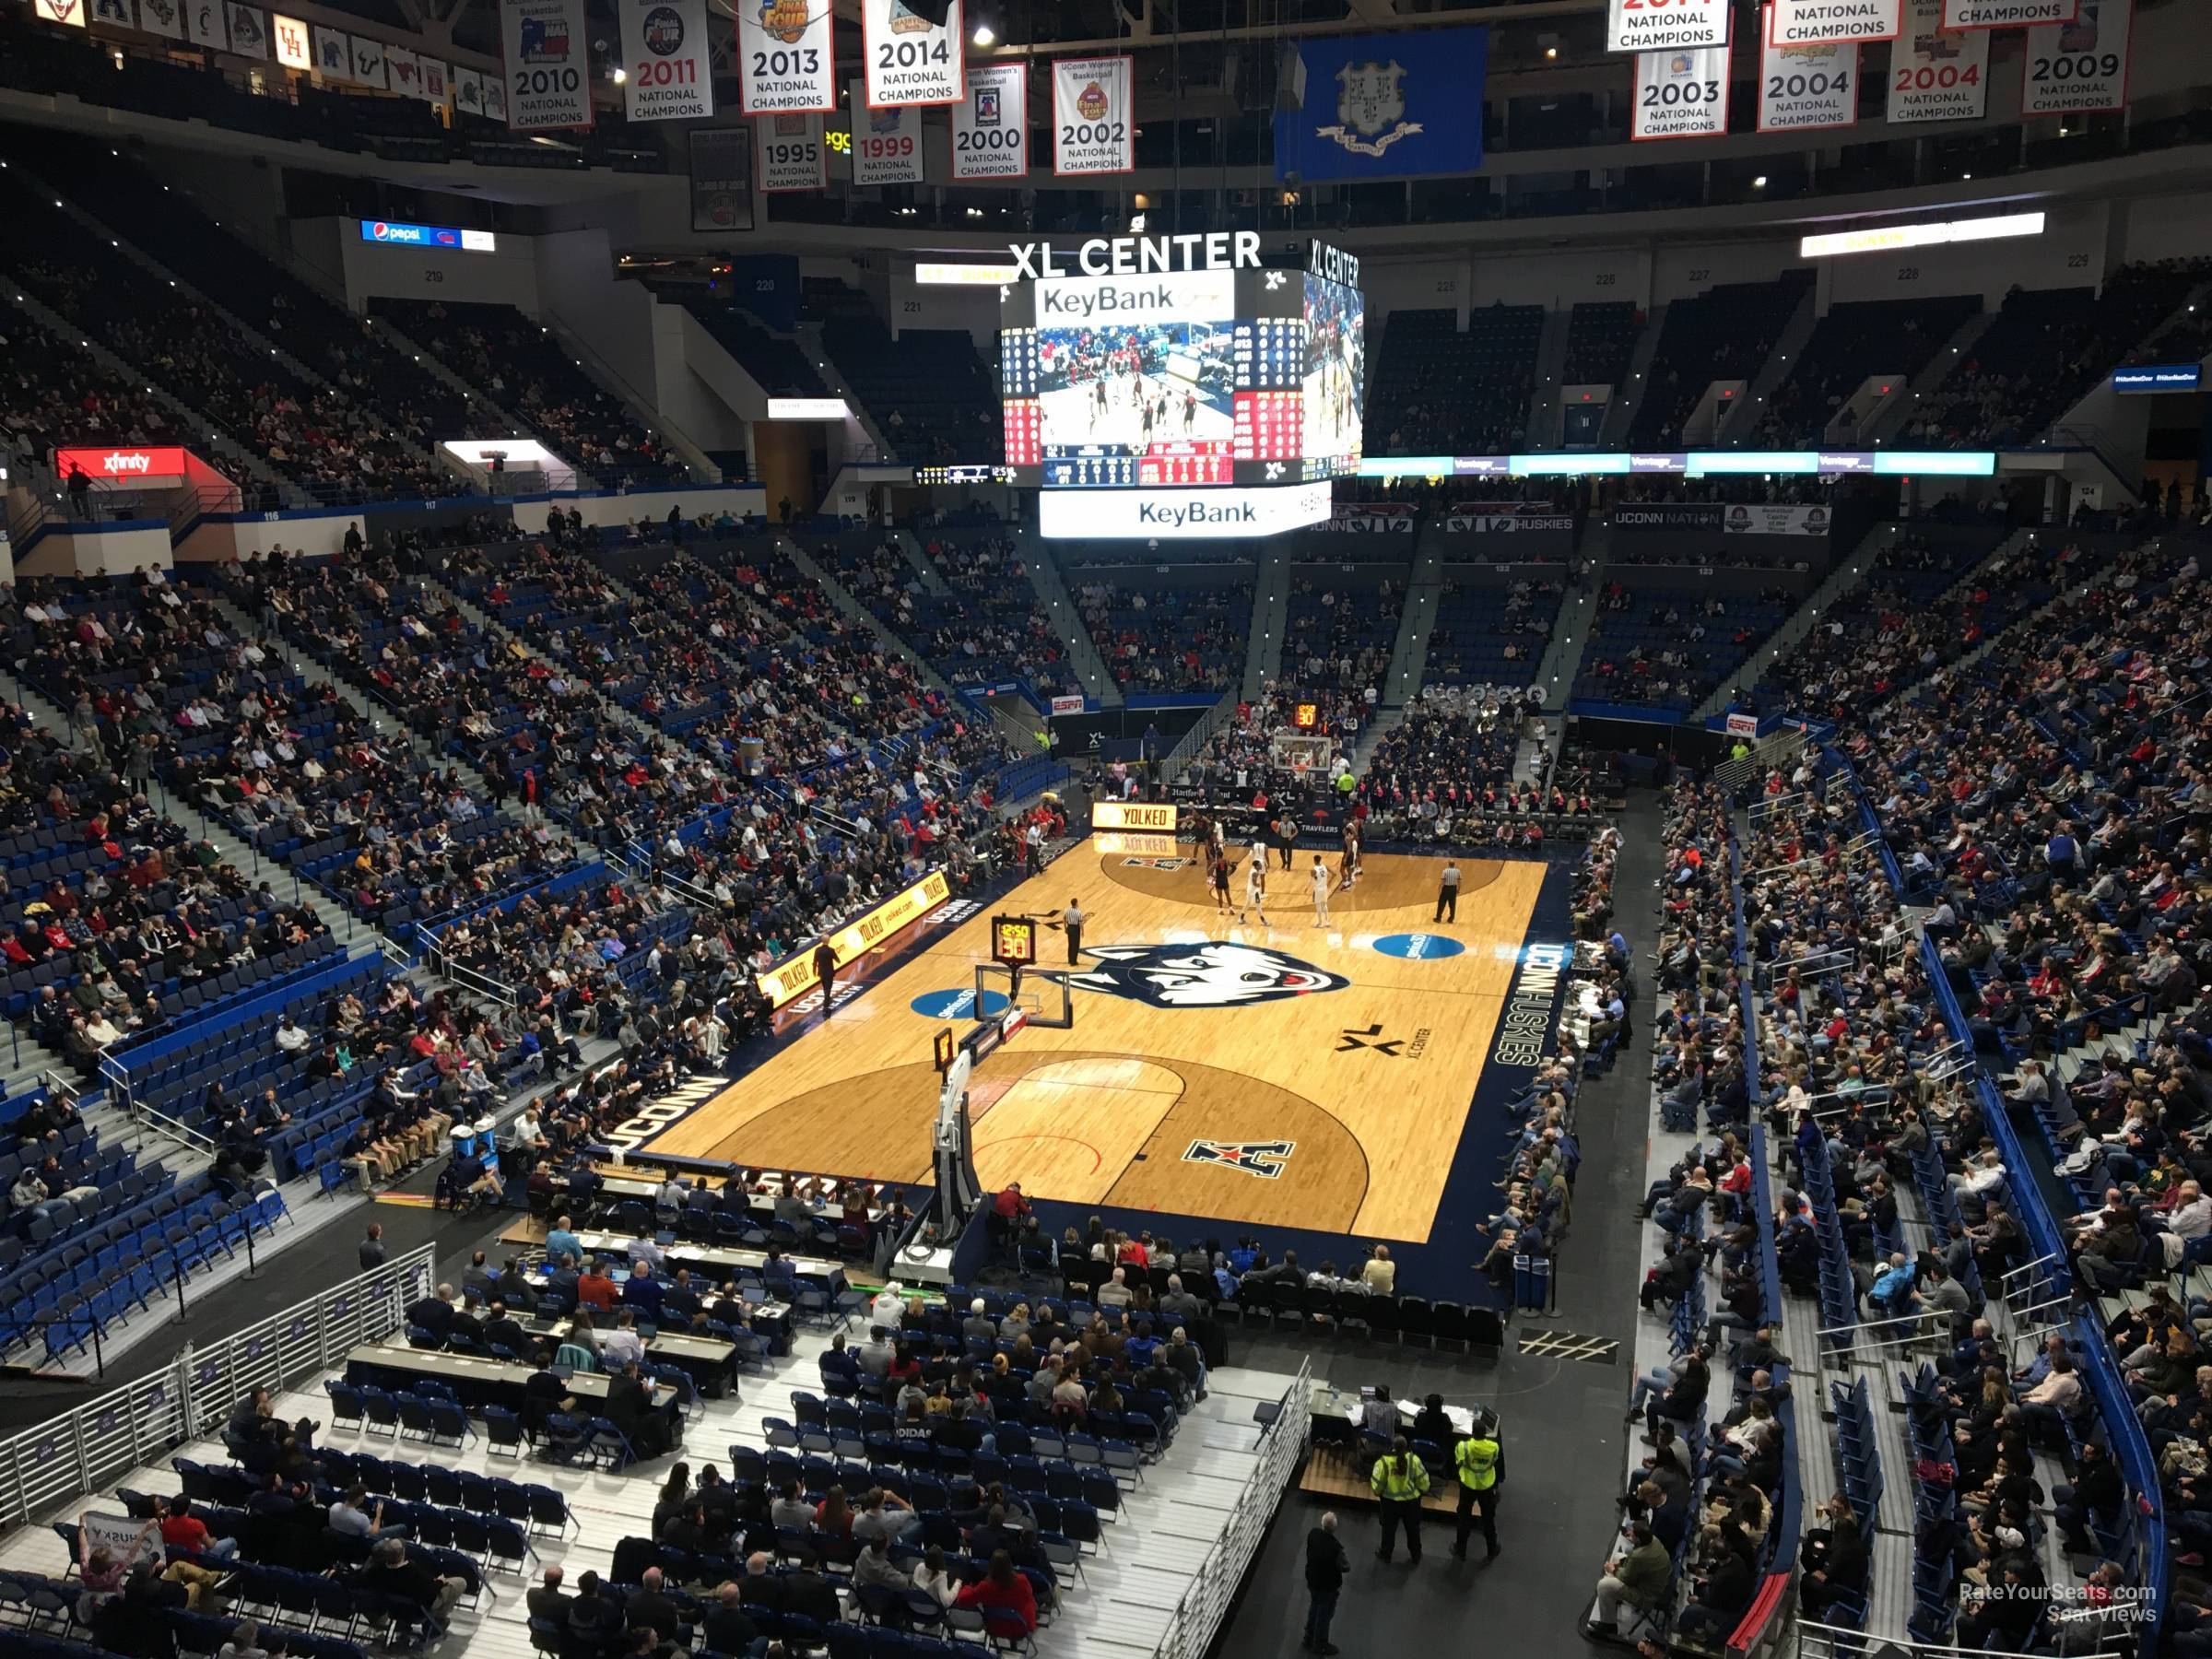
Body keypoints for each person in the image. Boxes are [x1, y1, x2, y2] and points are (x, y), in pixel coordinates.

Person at [1586, 1521, 1670, 1640]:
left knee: (1604, 1585)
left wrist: (1613, 1569)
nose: (1629, 1534)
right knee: (1618, 1559)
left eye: (1632, 1535)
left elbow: (1627, 1579)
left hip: (1646, 1595)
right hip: (1658, 1582)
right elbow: (1634, 1562)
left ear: (1639, 1540)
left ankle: (1608, 1625)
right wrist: (1619, 1565)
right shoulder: (1653, 1540)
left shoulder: (1639, 1556)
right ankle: (1613, 1599)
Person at [1370, 1436, 1430, 1563]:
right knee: (1413, 1530)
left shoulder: (1383, 1462)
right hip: (1411, 1502)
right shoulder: (1414, 1460)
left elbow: (1377, 1485)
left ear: (1392, 1447)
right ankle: (1416, 1555)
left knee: (1388, 1530)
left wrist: (1379, 1492)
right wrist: (1422, 1491)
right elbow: (1423, 1481)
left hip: (1389, 1503)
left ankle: (1386, 1554)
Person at [1452, 1413, 1501, 1561]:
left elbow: (1458, 1462)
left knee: (1463, 1517)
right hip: (1486, 1486)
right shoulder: (1494, 1446)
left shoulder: (1464, 1446)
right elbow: (1495, 1461)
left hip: (1468, 1485)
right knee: (1488, 1518)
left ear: (1472, 1433)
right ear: (1485, 1433)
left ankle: (1461, 1550)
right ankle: (1492, 1548)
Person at [953, 1549, 1038, 1633]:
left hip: (995, 1627)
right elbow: (1029, 1597)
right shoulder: (1022, 1581)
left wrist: (969, 1587)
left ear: (991, 1567)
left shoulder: (986, 1587)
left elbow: (962, 1599)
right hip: (1021, 1627)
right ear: (1009, 1565)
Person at [1303, 1510, 1347, 1655]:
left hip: (1312, 1580)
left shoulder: (1313, 1534)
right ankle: (1320, 1644)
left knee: (1314, 1607)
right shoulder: (1336, 1548)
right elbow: (1345, 1567)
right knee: (1324, 1615)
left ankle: (1308, 1638)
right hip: (1327, 1587)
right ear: (1334, 1528)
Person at [813, 938, 839, 1018]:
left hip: (821, 972)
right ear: (828, 941)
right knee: (828, 988)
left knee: (825, 987)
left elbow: (815, 961)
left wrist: (814, 970)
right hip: (829, 972)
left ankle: (828, 999)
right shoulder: (831, 950)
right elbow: (837, 960)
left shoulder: (817, 950)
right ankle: (826, 1005)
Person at [1435, 858, 1462, 924]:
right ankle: (1451, 919)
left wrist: (1439, 888)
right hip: (1453, 889)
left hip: (1446, 888)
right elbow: (1459, 881)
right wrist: (1458, 889)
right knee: (1452, 905)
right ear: (1454, 864)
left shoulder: (1445, 871)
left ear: (1448, 864)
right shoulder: (1458, 871)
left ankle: (1438, 918)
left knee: (1441, 903)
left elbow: (1442, 881)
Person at [1310, 855, 1333, 926]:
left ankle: (1320, 923)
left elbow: (1311, 880)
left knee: (1318, 905)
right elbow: (1334, 874)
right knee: (1324, 904)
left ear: (1315, 860)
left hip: (1318, 888)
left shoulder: (1313, 870)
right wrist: (1329, 882)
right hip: (1324, 887)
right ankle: (1327, 922)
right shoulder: (1324, 866)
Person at [1064, 899, 1085, 964]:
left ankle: (1070, 960)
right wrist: (1082, 931)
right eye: (1077, 903)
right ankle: (1073, 961)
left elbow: (1064, 919)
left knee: (1070, 944)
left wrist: (1065, 928)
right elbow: (1080, 923)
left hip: (1069, 927)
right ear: (1076, 903)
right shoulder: (1078, 912)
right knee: (1076, 945)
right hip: (1076, 929)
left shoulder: (1067, 910)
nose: (1078, 904)